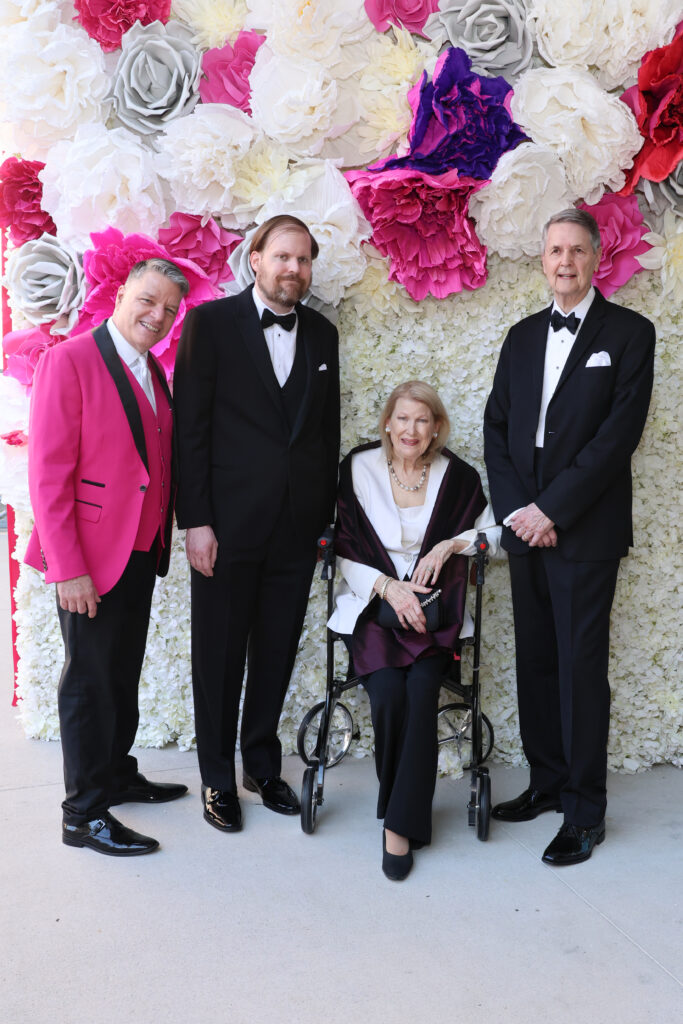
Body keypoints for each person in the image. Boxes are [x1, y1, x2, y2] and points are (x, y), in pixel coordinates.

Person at [483, 208, 655, 866]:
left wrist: (551, 509)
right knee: (536, 662)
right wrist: (516, 512)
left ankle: (584, 810)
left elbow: (616, 440)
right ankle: (547, 783)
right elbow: (497, 428)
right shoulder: (521, 336)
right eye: (553, 250)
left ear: (594, 258)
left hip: (584, 531)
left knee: (580, 670)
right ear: (543, 258)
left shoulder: (629, 334)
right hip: (524, 527)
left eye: (575, 251)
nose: (563, 261)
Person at [174, 214, 340, 833]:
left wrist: (325, 523)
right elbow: (191, 432)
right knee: (218, 656)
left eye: (303, 260)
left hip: (297, 530)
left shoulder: (323, 335)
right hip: (226, 527)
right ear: (256, 259)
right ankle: (216, 776)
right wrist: (196, 521)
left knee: (273, 653)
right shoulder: (210, 325)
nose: (293, 270)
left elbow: (323, 434)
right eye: (282, 258)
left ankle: (261, 766)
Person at [25, 259, 191, 856]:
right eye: (148, 300)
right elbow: (47, 477)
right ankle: (83, 813)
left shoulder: (150, 368)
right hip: (89, 559)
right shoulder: (67, 360)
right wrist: (68, 567)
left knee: (121, 674)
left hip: (141, 552)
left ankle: (116, 772)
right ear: (121, 293)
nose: (157, 315)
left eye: (170, 310)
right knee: (90, 684)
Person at [329, 381, 499, 881]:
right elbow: (340, 545)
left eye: (422, 421)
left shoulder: (459, 477)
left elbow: (495, 535)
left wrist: (449, 547)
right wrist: (386, 587)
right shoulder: (358, 469)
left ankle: (398, 827)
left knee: (423, 690)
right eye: (403, 419)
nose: (411, 429)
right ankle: (406, 815)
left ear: (437, 429)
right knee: (386, 694)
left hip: (432, 614)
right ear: (387, 423)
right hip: (375, 609)